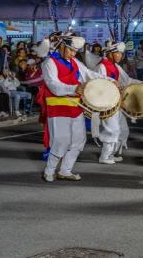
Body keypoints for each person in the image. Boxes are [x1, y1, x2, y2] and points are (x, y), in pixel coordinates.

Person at [41, 32, 107, 182]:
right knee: (61, 140)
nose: (73, 54)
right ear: (62, 46)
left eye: (75, 51)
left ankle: (65, 170)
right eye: (71, 50)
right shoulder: (49, 63)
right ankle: (49, 170)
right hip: (58, 107)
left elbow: (89, 74)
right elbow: (54, 86)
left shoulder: (75, 62)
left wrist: (108, 81)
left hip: (75, 107)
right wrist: (74, 89)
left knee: (79, 140)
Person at [95, 40, 142, 164]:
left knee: (123, 129)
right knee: (112, 129)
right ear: (110, 53)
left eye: (121, 53)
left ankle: (111, 154)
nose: (121, 56)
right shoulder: (101, 66)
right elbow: (99, 85)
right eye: (118, 53)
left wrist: (142, 83)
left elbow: (127, 80)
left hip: (116, 103)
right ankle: (104, 156)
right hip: (107, 103)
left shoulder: (116, 66)